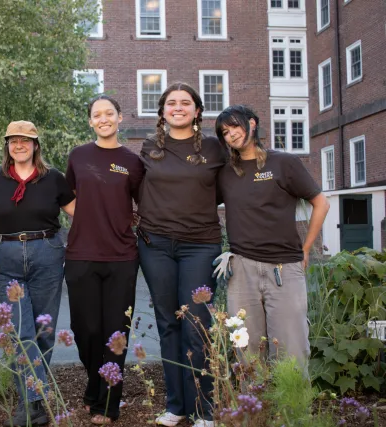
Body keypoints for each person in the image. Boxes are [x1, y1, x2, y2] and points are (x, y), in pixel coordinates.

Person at [213, 105, 329, 372]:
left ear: (252, 123)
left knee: (291, 349)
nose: (231, 135)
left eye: (235, 126)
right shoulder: (226, 173)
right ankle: (253, 411)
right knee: (246, 351)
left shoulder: (284, 163)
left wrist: (306, 248)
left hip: (284, 267)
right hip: (241, 269)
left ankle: (293, 412)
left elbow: (320, 203)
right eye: (225, 132)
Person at [136, 82, 226, 427]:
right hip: (155, 245)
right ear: (161, 112)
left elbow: (229, 190)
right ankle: (176, 407)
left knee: (197, 325)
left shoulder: (216, 150)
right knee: (168, 324)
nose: (178, 107)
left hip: (199, 245)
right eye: (171, 103)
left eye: (185, 103)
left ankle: (204, 409)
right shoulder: (149, 148)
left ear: (197, 111)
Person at [0, 120, 76, 426]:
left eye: (25, 140)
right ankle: (31, 403)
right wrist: (1, 233)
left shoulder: (53, 178)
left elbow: (79, 211)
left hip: (46, 252)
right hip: (5, 257)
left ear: (36, 145)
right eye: (13, 140)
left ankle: (32, 403)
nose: (18, 145)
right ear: (7, 146)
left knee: (43, 332)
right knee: (21, 333)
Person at [64, 95, 144, 425]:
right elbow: (68, 199)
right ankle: (94, 384)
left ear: (120, 118)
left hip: (121, 256)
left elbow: (143, 203)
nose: (103, 118)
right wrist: (88, 218)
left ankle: (108, 402)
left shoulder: (132, 161)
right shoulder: (78, 156)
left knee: (114, 330)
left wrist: (123, 221)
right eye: (96, 114)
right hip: (81, 254)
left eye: (109, 113)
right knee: (85, 329)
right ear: (90, 121)